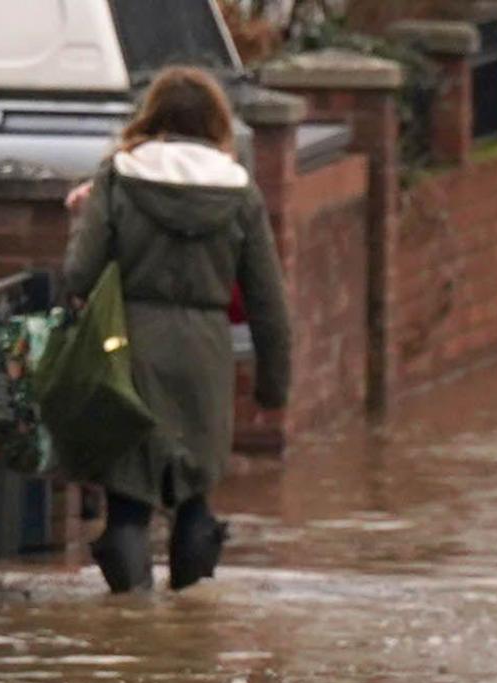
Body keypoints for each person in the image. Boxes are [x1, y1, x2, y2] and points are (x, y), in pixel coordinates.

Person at [60, 68, 294, 595]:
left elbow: (78, 275)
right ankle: (190, 627)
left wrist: (83, 219)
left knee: (128, 497)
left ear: (152, 115)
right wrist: (272, 388)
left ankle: (132, 622)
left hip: (130, 347)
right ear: (216, 123)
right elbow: (268, 302)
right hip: (206, 356)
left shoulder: (118, 177)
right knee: (194, 496)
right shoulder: (240, 192)